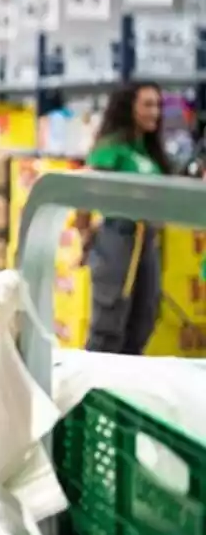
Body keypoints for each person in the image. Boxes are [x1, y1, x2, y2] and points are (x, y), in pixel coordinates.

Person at [75, 81, 172, 355]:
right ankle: (95, 390)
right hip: (118, 239)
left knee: (143, 320)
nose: (156, 112)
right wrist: (85, 234)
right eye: (148, 104)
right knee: (109, 324)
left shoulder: (149, 152)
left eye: (158, 105)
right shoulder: (112, 147)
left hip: (147, 242)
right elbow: (86, 189)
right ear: (129, 108)